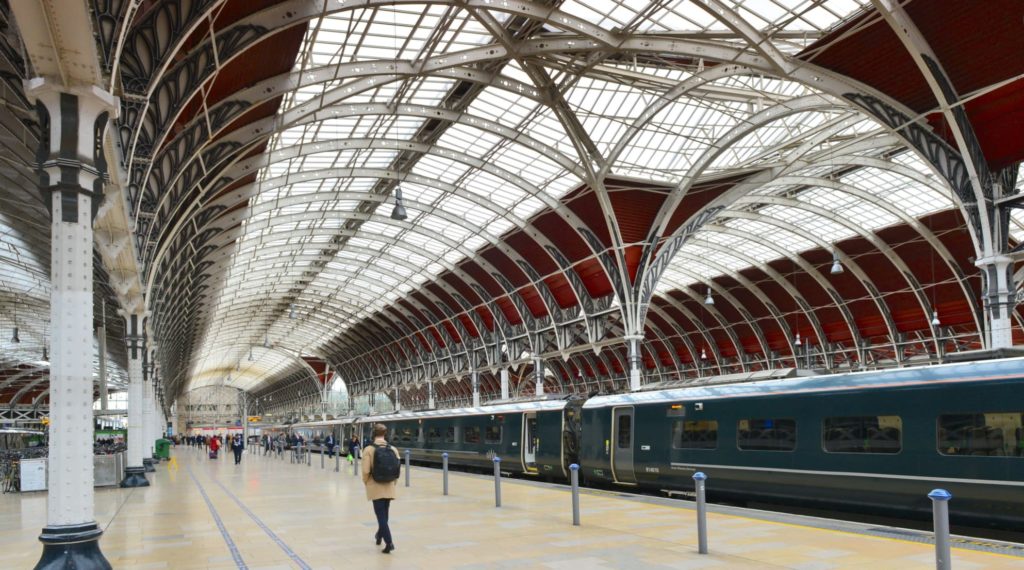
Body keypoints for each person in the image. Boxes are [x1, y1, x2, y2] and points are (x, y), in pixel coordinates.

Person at [361, 424, 399, 554]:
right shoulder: (393, 449)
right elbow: (397, 469)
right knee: (384, 515)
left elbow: (366, 471)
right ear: (385, 433)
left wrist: (366, 482)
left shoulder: (368, 450)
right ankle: (379, 535)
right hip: (389, 485)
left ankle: (389, 542)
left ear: (373, 434)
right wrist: (393, 483)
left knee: (380, 516)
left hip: (375, 485)